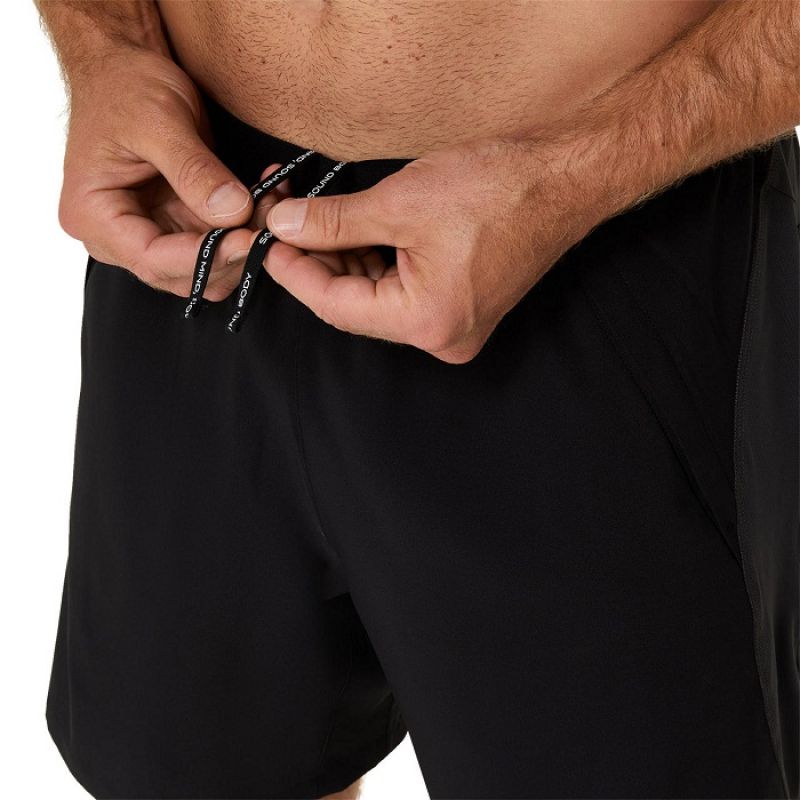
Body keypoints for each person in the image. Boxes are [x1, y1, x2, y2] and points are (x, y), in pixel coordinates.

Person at [35, 1, 799, 798]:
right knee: (192, 775)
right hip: (195, 207)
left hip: (598, 215)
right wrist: (108, 48)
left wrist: (573, 174)